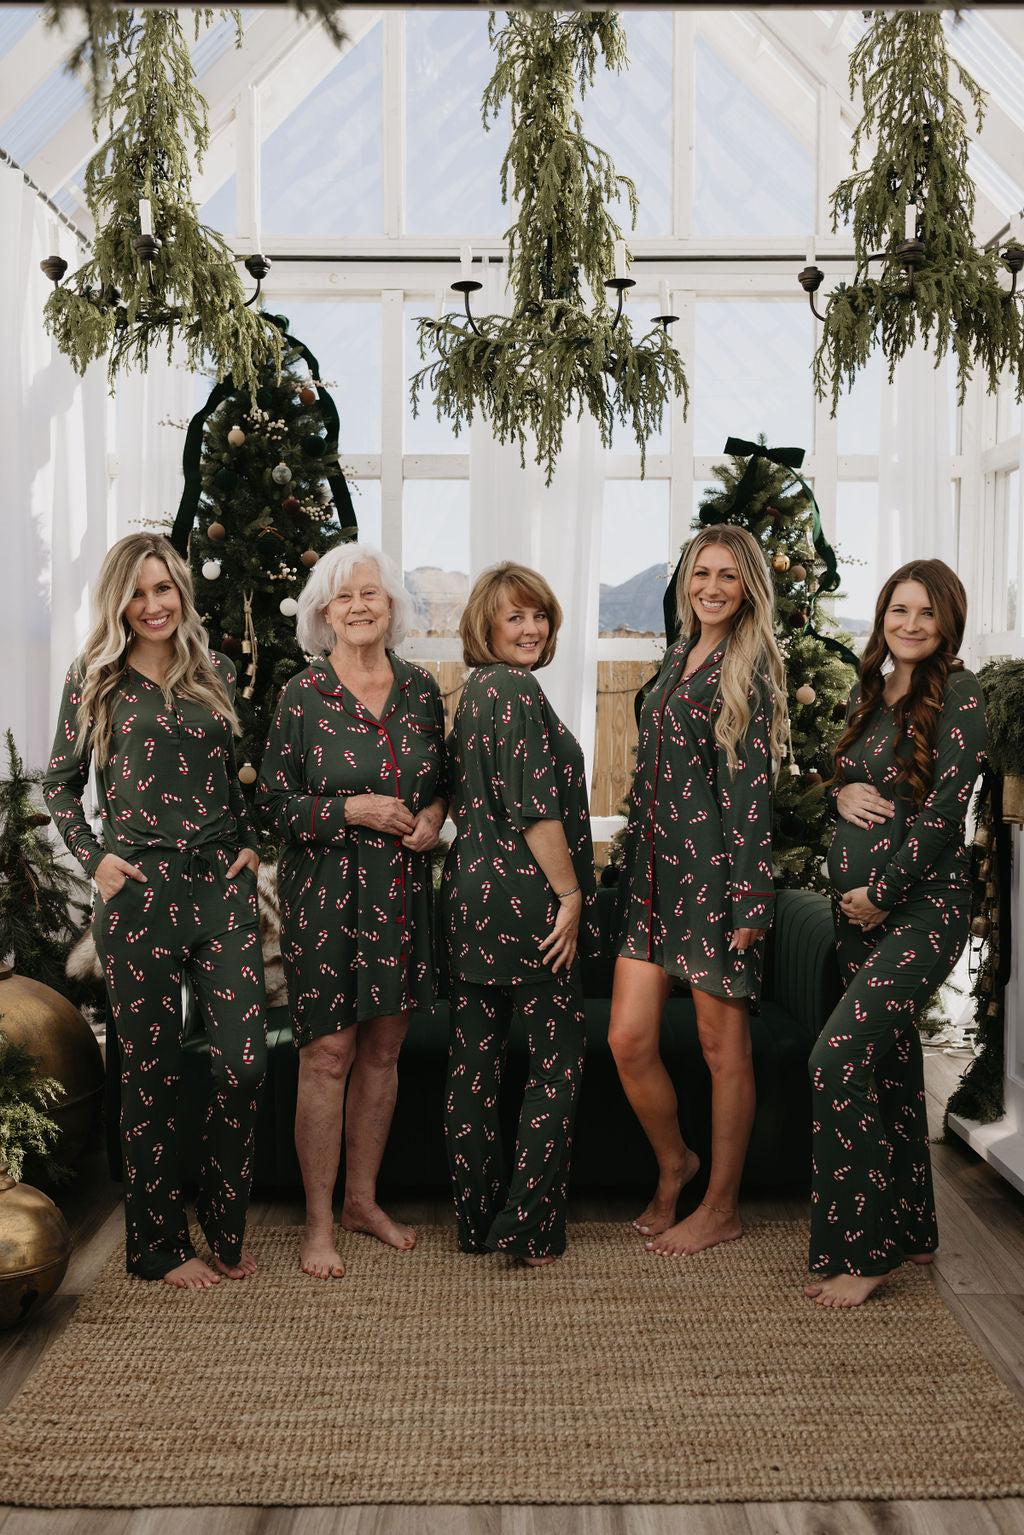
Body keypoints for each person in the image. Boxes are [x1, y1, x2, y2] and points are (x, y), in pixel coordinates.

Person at [43, 533, 267, 1289]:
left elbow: (238, 777)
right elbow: (59, 782)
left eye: (163, 588)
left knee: (243, 1061)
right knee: (149, 1071)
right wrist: (94, 857)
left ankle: (225, 1229)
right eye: (138, 593)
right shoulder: (94, 678)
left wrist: (250, 844)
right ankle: (158, 1245)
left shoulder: (219, 672)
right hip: (138, 894)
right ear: (120, 601)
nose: (153, 605)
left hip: (218, 889)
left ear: (181, 591)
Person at [257, 543, 447, 1279]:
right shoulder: (301, 696)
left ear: (391, 606)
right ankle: (316, 1222)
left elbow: (444, 782)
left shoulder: (423, 689)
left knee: (383, 1051)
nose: (361, 605)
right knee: (327, 1054)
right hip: (326, 897)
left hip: (399, 896)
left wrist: (434, 814)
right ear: (322, 613)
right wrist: (353, 808)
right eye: (344, 597)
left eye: (372, 593)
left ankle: (362, 1201)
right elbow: (275, 802)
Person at [804, 559, 986, 1307]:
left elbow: (946, 814)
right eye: (898, 609)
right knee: (891, 1069)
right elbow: (840, 781)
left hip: (919, 909)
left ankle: (866, 1248)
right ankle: (913, 1228)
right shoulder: (870, 689)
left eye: (925, 613)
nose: (909, 624)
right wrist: (838, 789)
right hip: (858, 915)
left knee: (835, 1061)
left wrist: (880, 892)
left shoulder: (963, 695)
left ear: (946, 623)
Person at [609, 524, 788, 1257]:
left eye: (727, 576)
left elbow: (751, 794)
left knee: (724, 1052)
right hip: (651, 878)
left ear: (749, 588)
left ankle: (720, 1205)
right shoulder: (678, 654)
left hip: (715, 881)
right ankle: (676, 1161)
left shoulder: (750, 673)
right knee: (628, 1039)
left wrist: (751, 900)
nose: (711, 587)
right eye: (700, 573)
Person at [441, 562, 596, 1266]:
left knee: (473, 1065)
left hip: (471, 898)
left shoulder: (473, 690)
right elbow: (536, 810)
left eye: (539, 616)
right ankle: (528, 1225)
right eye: (515, 617)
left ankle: (477, 1220)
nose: (531, 628)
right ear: (487, 624)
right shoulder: (516, 689)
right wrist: (569, 895)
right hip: (528, 902)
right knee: (555, 1064)